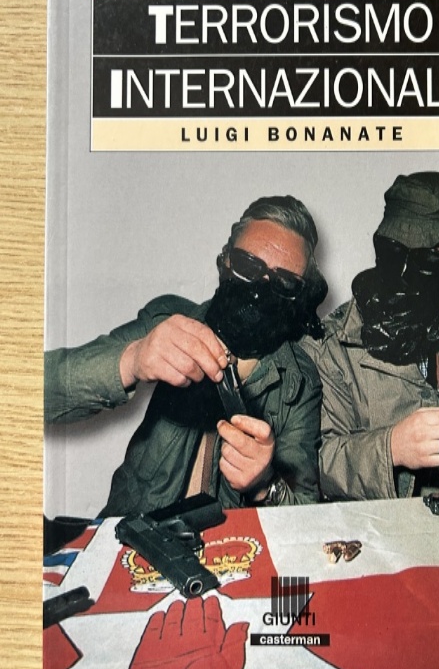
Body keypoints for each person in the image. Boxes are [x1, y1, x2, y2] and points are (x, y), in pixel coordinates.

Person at [45, 196, 328, 515]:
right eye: (248, 266)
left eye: (285, 282)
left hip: (232, 541)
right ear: (225, 260)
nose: (260, 289)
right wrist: (132, 360)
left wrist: (265, 484)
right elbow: (40, 390)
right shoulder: (171, 321)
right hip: (137, 529)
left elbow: (306, 510)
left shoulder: (298, 380)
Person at [302, 171, 439, 502]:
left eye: (427, 260)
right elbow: (310, 462)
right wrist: (391, 447)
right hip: (369, 527)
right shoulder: (333, 343)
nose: (406, 275)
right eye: (393, 254)